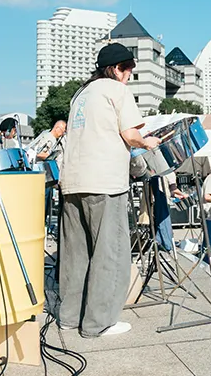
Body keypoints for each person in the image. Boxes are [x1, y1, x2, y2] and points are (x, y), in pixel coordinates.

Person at [58, 42, 159, 338]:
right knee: (109, 252)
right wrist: (147, 142)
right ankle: (98, 323)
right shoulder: (116, 90)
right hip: (104, 182)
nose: (129, 75)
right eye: (127, 69)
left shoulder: (81, 93)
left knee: (76, 254)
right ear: (115, 69)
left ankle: (69, 317)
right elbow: (129, 133)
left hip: (73, 182)